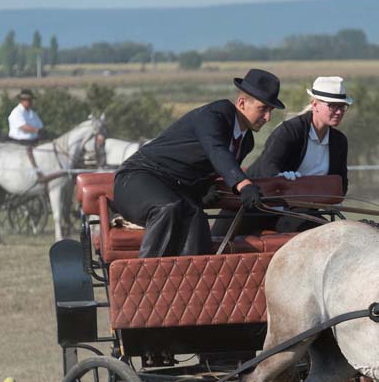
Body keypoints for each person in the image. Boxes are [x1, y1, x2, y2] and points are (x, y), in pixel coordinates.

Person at [112, 68, 283, 258]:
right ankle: (147, 280)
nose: (268, 117)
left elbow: (206, 168)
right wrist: (244, 185)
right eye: (263, 109)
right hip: (138, 177)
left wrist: (203, 190)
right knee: (167, 209)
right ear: (242, 103)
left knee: (197, 222)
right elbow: (215, 149)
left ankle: (190, 284)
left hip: (176, 190)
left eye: (271, 111)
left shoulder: (246, 142)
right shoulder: (216, 114)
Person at [212, 75, 350, 237]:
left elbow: (341, 184)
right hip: (252, 207)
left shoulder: (339, 142)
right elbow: (268, 167)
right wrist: (282, 180)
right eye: (333, 106)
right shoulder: (289, 131)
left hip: (295, 213)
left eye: (342, 106)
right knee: (215, 244)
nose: (339, 111)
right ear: (315, 105)